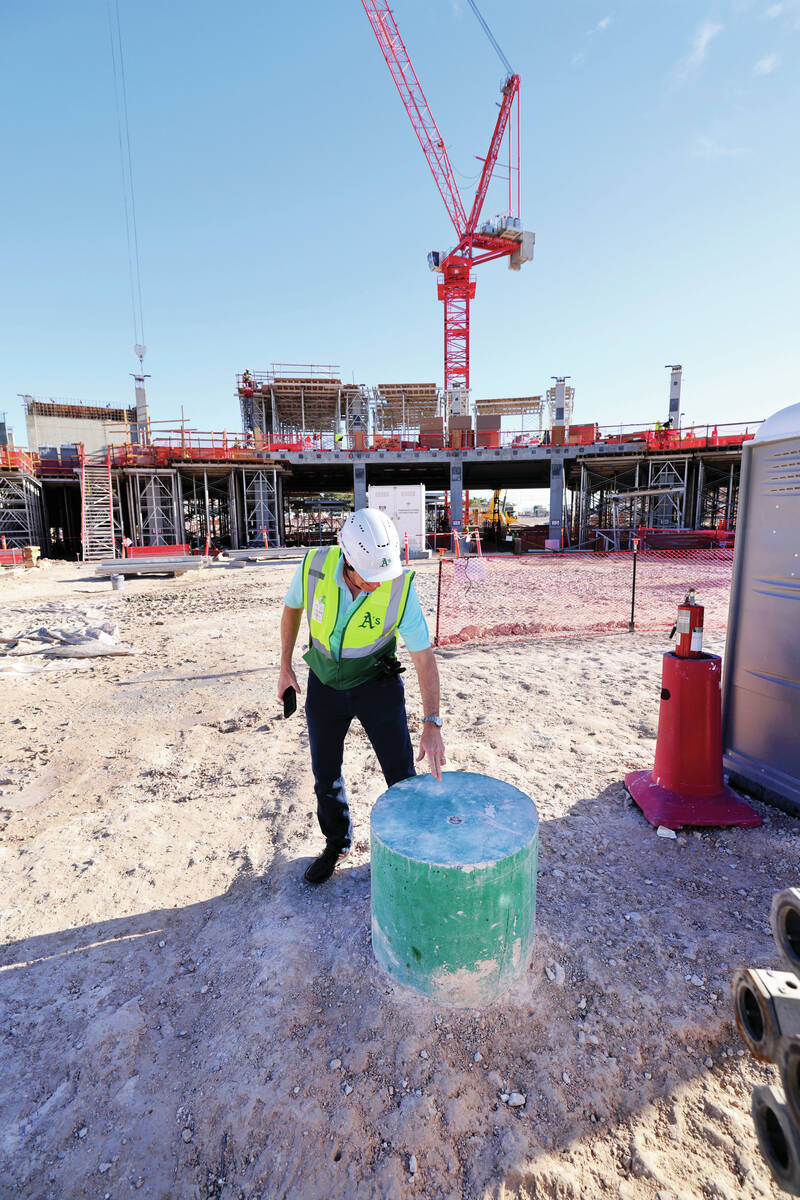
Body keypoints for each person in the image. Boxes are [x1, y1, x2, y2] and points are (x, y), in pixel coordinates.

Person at [278, 508, 446, 884]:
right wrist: (285, 666)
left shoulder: (399, 585)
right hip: (324, 685)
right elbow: (292, 608)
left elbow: (423, 656)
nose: (377, 584)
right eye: (369, 578)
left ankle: (410, 848)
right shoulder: (314, 565)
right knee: (325, 774)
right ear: (346, 556)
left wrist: (432, 722)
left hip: (377, 686)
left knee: (400, 774)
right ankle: (337, 844)